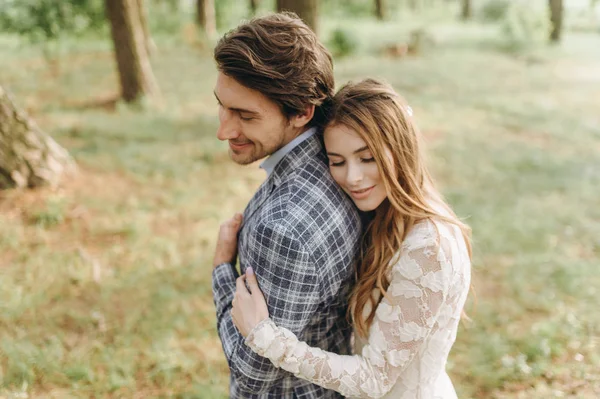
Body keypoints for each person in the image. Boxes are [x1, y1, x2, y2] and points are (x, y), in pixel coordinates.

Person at [220, 79, 473, 398]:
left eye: (367, 158)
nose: (352, 177)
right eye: (337, 162)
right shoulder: (385, 217)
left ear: (401, 148)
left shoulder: (429, 248)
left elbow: (373, 379)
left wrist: (266, 337)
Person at [211, 12, 362, 399]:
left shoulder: (286, 229)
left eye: (245, 116)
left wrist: (221, 271)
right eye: (223, 106)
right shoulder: (337, 166)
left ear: (301, 112)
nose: (223, 131)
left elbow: (252, 372)